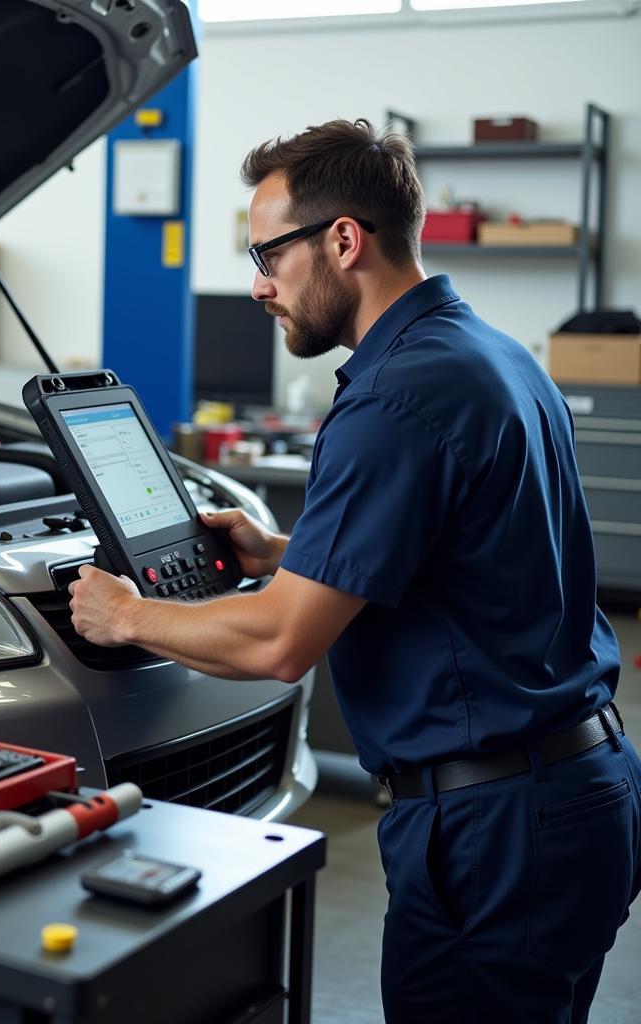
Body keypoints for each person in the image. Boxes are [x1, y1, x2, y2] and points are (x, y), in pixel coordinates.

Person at [67, 118, 641, 1022]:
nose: (260, 285)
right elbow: (467, 556)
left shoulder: (395, 396)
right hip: (578, 792)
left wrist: (125, 615)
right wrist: (287, 554)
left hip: (494, 826)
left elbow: (280, 642)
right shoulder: (492, 355)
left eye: (269, 255)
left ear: (343, 239)